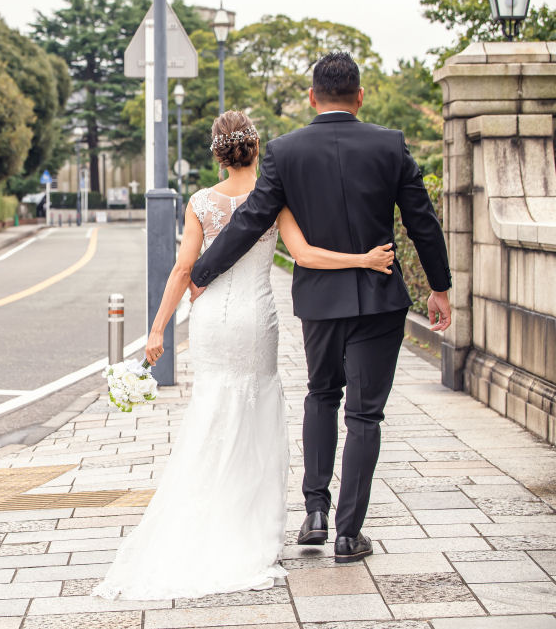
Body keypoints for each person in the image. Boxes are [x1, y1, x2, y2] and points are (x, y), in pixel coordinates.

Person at [93, 109, 398, 601]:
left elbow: (182, 271)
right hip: (256, 319)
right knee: (255, 412)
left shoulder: (200, 203)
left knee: (212, 412)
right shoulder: (274, 197)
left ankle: (201, 517)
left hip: (211, 319)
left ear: (217, 154)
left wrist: (156, 333)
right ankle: (250, 526)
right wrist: (363, 259)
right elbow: (305, 255)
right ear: (256, 148)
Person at [188, 52, 452, 566]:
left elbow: (250, 221)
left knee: (321, 395)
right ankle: (350, 535)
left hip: (319, 302)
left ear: (312, 97)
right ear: (359, 96)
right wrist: (438, 287)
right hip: (380, 300)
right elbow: (423, 220)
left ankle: (314, 512)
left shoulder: (285, 152)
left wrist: (202, 273)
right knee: (365, 416)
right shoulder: (390, 144)